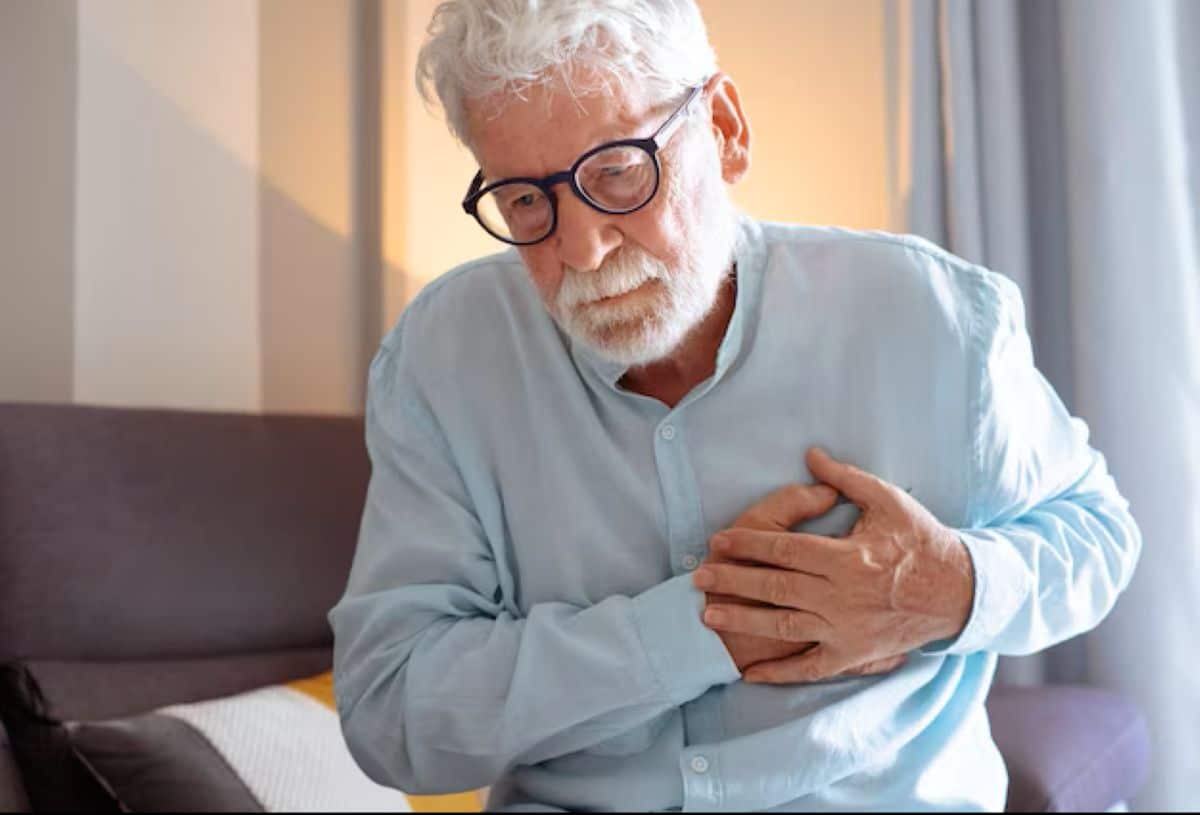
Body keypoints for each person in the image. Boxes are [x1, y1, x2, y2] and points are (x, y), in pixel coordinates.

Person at [328, 1, 1142, 810]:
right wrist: (701, 630)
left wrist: (949, 587)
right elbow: (391, 711)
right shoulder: (443, 358)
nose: (582, 249)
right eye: (525, 202)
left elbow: (1098, 535)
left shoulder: (933, 316)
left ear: (723, 128)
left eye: (616, 172)